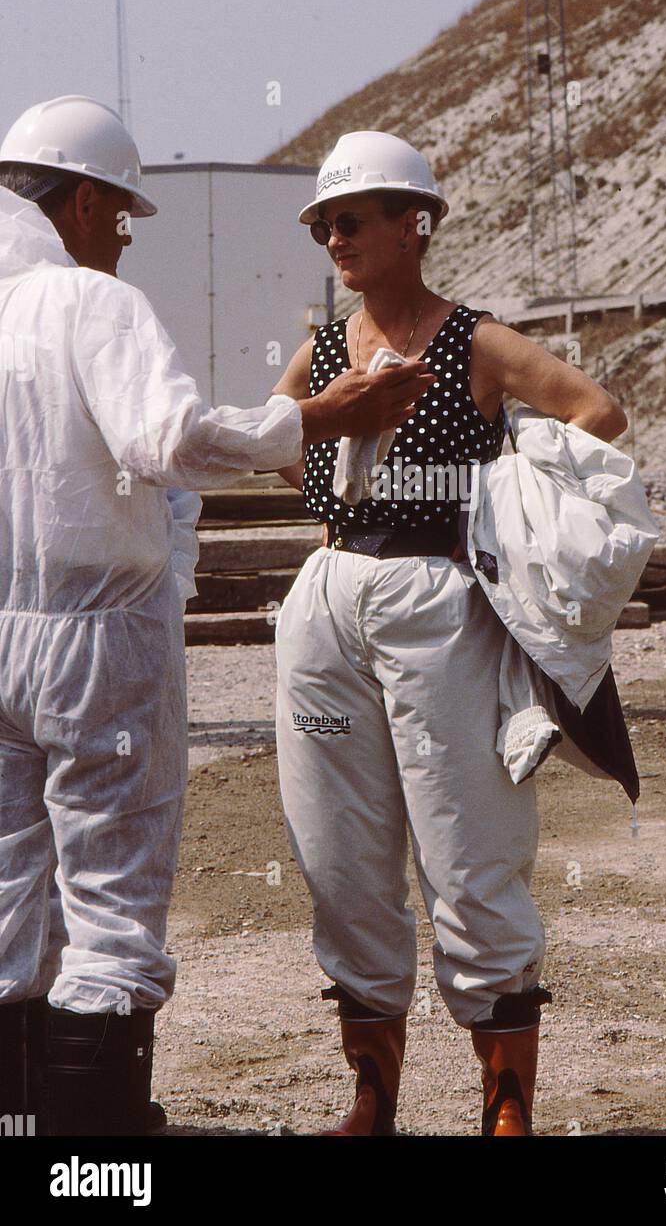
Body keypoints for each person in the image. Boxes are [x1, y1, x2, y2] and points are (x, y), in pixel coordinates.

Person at [0, 98, 436, 1137]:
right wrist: (334, 414)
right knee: (110, 903)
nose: (125, 235)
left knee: (11, 893)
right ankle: (98, 1150)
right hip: (97, 638)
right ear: (89, 199)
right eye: (124, 215)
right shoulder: (88, 305)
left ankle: (22, 1127)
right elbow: (169, 444)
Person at [270, 130, 628, 1136]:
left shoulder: (473, 341)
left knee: (470, 838)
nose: (334, 237)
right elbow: (268, 440)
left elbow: (596, 410)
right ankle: (371, 1095)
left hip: (441, 592)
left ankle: (504, 1100)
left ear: (410, 225)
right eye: (325, 224)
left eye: (352, 218)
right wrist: (327, 423)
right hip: (330, 590)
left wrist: (508, 487)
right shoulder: (322, 350)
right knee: (340, 846)